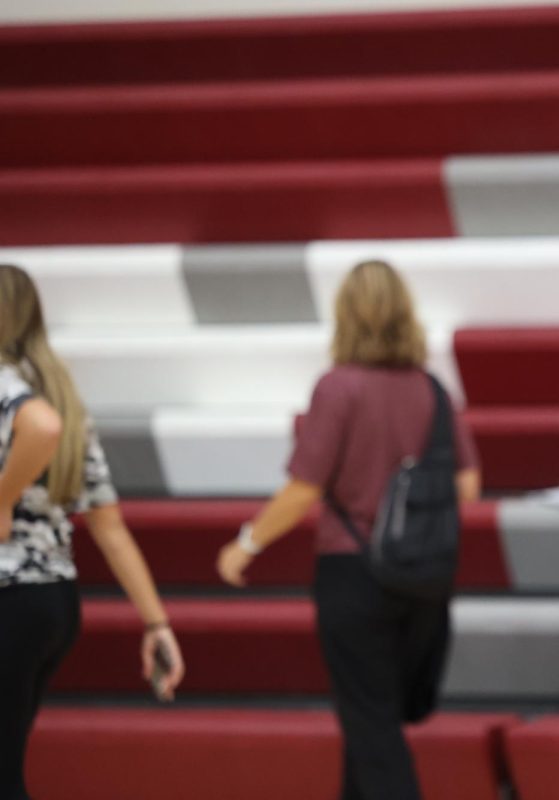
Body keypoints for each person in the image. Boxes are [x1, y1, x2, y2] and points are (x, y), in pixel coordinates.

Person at [217, 260, 480, 800]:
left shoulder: (338, 388)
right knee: (374, 723)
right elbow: (468, 485)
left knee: (371, 725)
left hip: (353, 572)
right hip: (426, 576)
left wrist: (245, 544)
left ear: (345, 316)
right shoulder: (433, 390)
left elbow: (303, 489)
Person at [0, 264, 185, 800]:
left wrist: (3, 499)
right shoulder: (59, 391)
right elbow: (109, 525)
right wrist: (157, 623)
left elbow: (41, 429)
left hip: (9, 595)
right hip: (52, 601)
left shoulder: (17, 394)